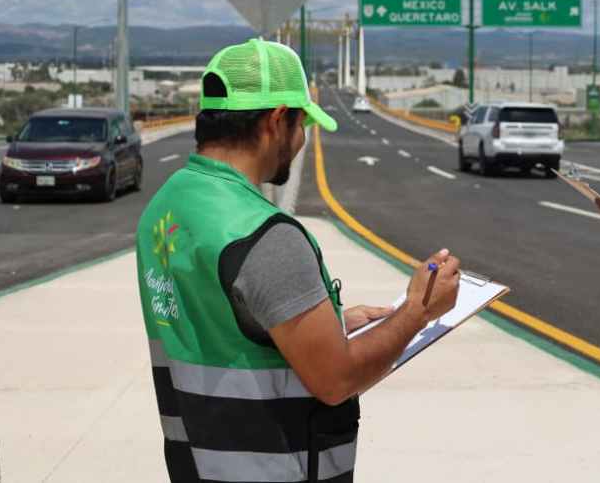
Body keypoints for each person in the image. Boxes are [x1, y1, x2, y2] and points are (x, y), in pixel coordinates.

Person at [136, 38, 460, 483]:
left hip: (198, 465)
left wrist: (329, 322)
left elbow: (222, 321)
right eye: (302, 121)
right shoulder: (264, 235)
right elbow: (336, 380)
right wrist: (417, 313)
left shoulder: (167, 205)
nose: (303, 137)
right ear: (275, 120)